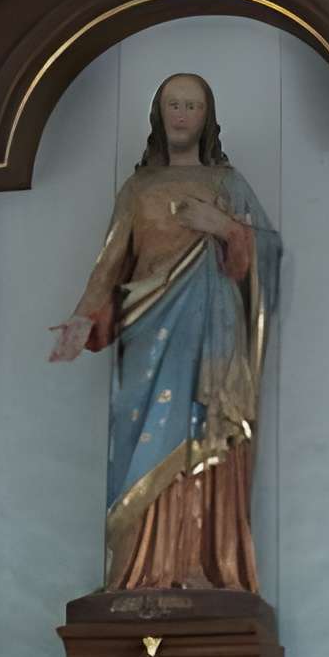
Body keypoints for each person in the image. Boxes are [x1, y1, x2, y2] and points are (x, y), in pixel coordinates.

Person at [48, 72, 279, 593]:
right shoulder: (137, 189)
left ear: (206, 116)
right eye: (173, 104)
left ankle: (201, 566)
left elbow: (265, 256)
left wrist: (223, 228)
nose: (181, 114)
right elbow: (109, 264)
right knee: (144, 443)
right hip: (148, 330)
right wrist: (83, 318)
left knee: (205, 434)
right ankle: (141, 570)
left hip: (211, 328)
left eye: (191, 105)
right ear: (159, 114)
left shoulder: (228, 184)